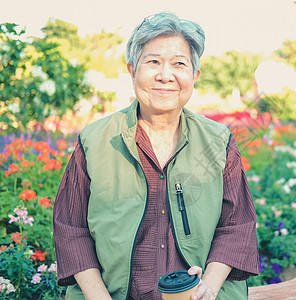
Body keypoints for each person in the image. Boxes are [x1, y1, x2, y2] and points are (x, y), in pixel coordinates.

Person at [53, 12, 259, 300]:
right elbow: (71, 229)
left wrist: (208, 289)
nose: (166, 75)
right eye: (153, 62)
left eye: (179, 64)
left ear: (194, 76)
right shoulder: (94, 140)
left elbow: (236, 226)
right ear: (132, 70)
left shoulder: (218, 142)